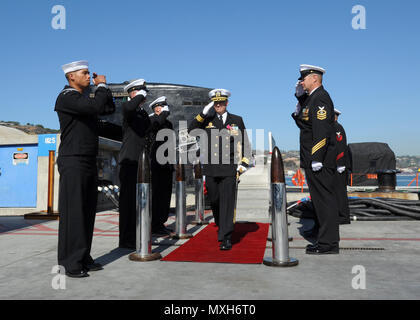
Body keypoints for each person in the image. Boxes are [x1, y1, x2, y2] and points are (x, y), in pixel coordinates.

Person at [55, 60, 115, 277]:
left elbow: (107, 108)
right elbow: (95, 106)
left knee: (87, 211)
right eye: (85, 73)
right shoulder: (66, 97)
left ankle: (83, 256)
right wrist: (100, 87)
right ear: (71, 76)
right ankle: (70, 263)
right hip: (73, 159)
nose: (89, 76)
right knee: (74, 213)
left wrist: (104, 89)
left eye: (90, 73)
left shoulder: (83, 98)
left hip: (88, 159)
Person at [188, 89, 251, 250]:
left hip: (229, 167)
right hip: (210, 168)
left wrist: (244, 162)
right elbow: (191, 129)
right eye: (215, 103)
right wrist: (202, 113)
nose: (218, 105)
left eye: (221, 103)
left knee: (228, 202)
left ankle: (226, 236)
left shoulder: (236, 120)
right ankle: (220, 222)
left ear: (226, 103)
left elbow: (245, 143)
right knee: (215, 200)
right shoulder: (206, 120)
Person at [292, 64, 340, 255]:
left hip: (319, 159)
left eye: (303, 79)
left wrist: (317, 157)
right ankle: (323, 238)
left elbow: (321, 130)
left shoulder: (321, 98)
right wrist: (300, 97)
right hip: (311, 157)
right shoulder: (312, 98)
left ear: (314, 78)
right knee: (319, 201)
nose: (301, 82)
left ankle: (328, 244)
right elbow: (306, 123)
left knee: (325, 200)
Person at [118, 79, 150, 249]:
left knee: (140, 201)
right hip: (129, 160)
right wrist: (139, 96)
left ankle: (137, 233)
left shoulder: (142, 112)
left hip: (141, 160)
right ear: (133, 92)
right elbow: (129, 107)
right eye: (140, 92)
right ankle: (126, 239)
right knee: (128, 202)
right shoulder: (128, 108)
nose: (144, 96)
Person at [147, 96, 174, 236]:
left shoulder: (168, 124)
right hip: (155, 164)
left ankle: (161, 222)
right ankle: (154, 224)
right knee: (156, 196)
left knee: (165, 196)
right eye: (162, 107)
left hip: (167, 165)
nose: (164, 109)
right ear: (156, 108)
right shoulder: (151, 120)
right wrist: (162, 115)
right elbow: (154, 129)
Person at [334, 108, 351, 225]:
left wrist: (340, 164)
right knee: (336, 192)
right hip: (334, 165)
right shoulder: (333, 128)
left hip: (339, 166)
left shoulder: (337, 128)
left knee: (340, 192)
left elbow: (340, 146)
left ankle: (344, 216)